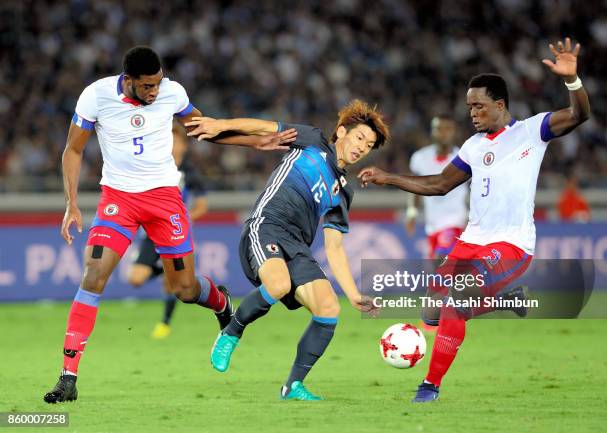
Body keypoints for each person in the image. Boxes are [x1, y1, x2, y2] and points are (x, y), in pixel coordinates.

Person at [44, 46, 296, 404]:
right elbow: (73, 149)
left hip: (165, 200)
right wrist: (71, 203)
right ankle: (68, 377)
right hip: (119, 200)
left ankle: (220, 301)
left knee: (184, 289)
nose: (155, 92)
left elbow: (205, 129)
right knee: (93, 275)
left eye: (158, 84)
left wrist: (256, 142)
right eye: (147, 86)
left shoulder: (172, 93)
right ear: (128, 81)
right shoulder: (95, 96)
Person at [359, 38, 590, 403]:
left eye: (479, 106)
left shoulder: (532, 131)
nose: (473, 114)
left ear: (500, 105)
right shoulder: (473, 146)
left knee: (456, 305)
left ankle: (429, 387)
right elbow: (439, 184)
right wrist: (390, 178)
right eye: (469, 107)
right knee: (431, 310)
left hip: (510, 244)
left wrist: (572, 81)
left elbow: (579, 115)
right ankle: (505, 300)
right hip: (471, 241)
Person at [186, 99, 389, 400]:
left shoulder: (344, 190)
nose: (362, 147)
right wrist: (221, 124)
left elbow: (334, 247)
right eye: (360, 137)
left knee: (329, 308)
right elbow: (265, 127)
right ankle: (232, 331)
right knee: (278, 284)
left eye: (369, 145)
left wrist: (354, 293)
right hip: (266, 225)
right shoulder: (314, 140)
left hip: (297, 246)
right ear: (342, 131)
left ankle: (293, 385)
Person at [127, 121, 209, 339]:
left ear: (183, 145)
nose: (171, 144)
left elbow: (201, 205)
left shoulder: (189, 172)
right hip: (151, 233)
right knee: (135, 279)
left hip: (174, 234)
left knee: (174, 285)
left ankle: (165, 323)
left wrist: (182, 220)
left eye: (175, 140)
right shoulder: (154, 166)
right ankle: (165, 268)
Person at [405, 115, 467, 260]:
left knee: (443, 259)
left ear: (455, 132)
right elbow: (415, 187)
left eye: (448, 129)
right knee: (439, 272)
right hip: (432, 225)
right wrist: (412, 212)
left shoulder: (465, 158)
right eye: (439, 129)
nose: (443, 133)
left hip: (455, 222)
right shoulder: (420, 158)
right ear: (432, 131)